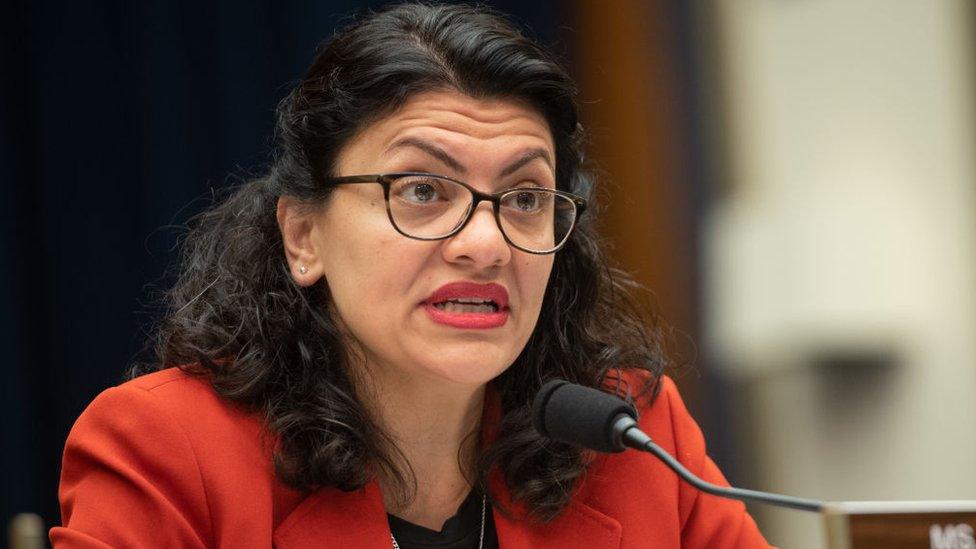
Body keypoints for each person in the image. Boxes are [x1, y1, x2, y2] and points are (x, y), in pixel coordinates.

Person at [51, 4, 771, 548]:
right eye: (424, 191)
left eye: (524, 198)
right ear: (304, 236)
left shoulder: (631, 434)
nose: (486, 243)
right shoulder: (166, 446)